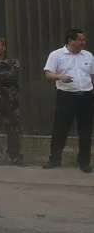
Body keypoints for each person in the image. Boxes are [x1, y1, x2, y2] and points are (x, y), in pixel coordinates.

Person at [42, 28, 94, 172]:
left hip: (86, 96)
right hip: (67, 96)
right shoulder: (56, 55)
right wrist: (60, 77)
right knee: (60, 128)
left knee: (86, 130)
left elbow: (92, 75)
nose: (84, 42)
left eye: (84, 40)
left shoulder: (88, 56)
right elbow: (48, 75)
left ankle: (84, 162)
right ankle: (55, 160)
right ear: (71, 41)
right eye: (81, 39)